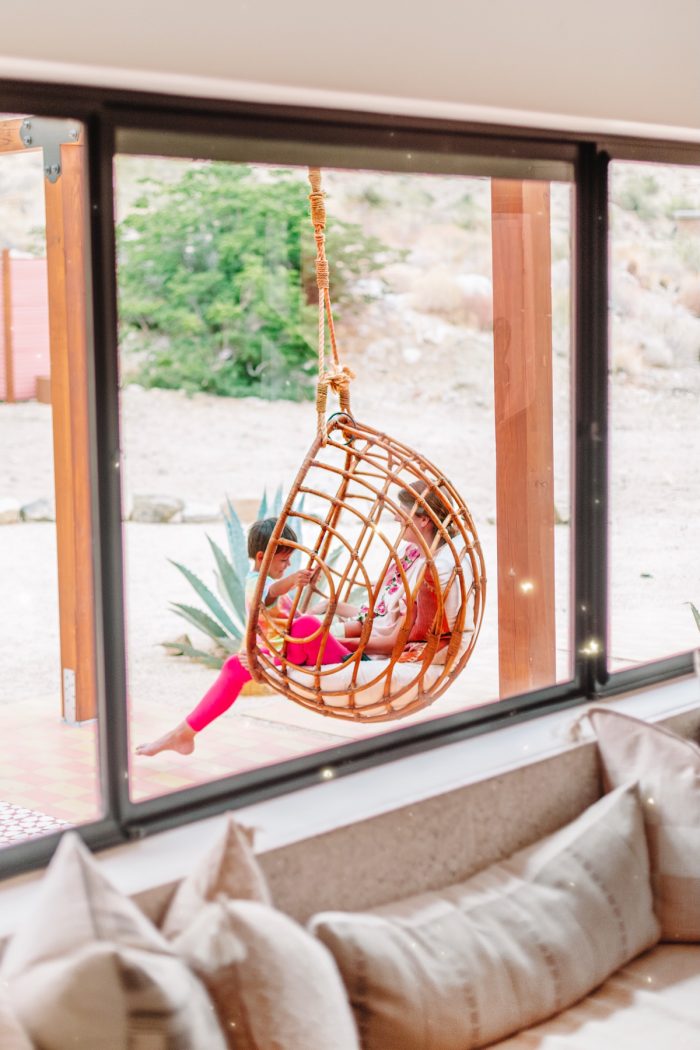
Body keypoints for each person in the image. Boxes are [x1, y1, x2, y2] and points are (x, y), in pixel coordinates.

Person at [136, 517, 352, 756]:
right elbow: (269, 594)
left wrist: (310, 607)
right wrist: (291, 583)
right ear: (261, 557)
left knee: (303, 626)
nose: (287, 566)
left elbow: (285, 618)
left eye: (290, 560)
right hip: (280, 656)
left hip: (287, 651)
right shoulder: (257, 584)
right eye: (283, 560)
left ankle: (182, 734)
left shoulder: (270, 583)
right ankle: (182, 734)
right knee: (239, 664)